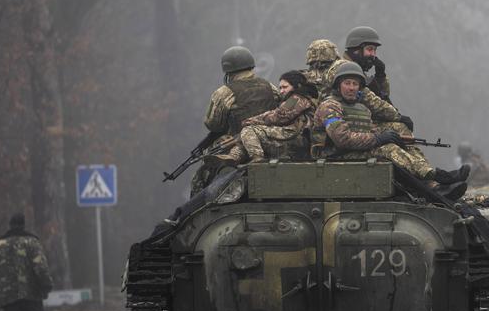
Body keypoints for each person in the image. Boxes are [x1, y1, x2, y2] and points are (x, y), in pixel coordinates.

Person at [312, 62, 468, 199]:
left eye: (355, 84)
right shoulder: (330, 106)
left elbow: (367, 130)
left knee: (396, 141)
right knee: (388, 149)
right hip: (334, 154)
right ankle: (436, 175)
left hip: (354, 150)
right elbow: (342, 139)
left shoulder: (361, 108)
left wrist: (390, 137)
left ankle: (432, 184)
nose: (352, 88)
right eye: (347, 83)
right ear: (338, 85)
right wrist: (379, 139)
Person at [191, 46, 281, 196]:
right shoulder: (270, 87)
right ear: (251, 65)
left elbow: (212, 124)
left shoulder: (224, 92)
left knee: (201, 177)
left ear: (227, 69)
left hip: (235, 146)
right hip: (270, 143)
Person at [205, 70, 318, 165]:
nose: (281, 91)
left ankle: (257, 158)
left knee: (249, 130)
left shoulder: (296, 99)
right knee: (245, 136)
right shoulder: (295, 99)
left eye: (285, 87)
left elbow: (280, 116)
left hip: (298, 139)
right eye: (280, 87)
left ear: (297, 86)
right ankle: (234, 156)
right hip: (292, 136)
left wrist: (252, 121)